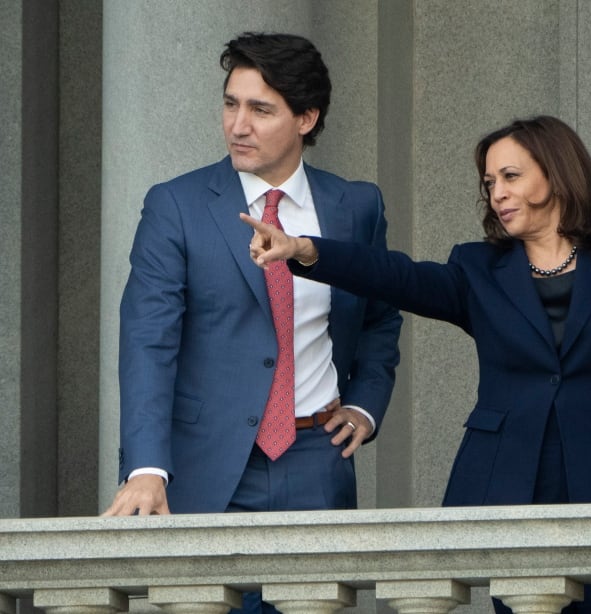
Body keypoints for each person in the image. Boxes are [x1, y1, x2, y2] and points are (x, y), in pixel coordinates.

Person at [241, 115, 591, 613]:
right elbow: (397, 276)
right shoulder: (478, 268)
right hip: (515, 481)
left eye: (511, 176)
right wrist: (307, 251)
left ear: (556, 173)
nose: (497, 194)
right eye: (489, 183)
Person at [103, 31, 402, 614]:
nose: (238, 124)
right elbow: (147, 340)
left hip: (316, 458)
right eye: (230, 103)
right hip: (203, 462)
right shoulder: (176, 205)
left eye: (260, 109)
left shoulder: (356, 206)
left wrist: (366, 404)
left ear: (307, 118)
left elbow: (380, 314)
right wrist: (145, 466)